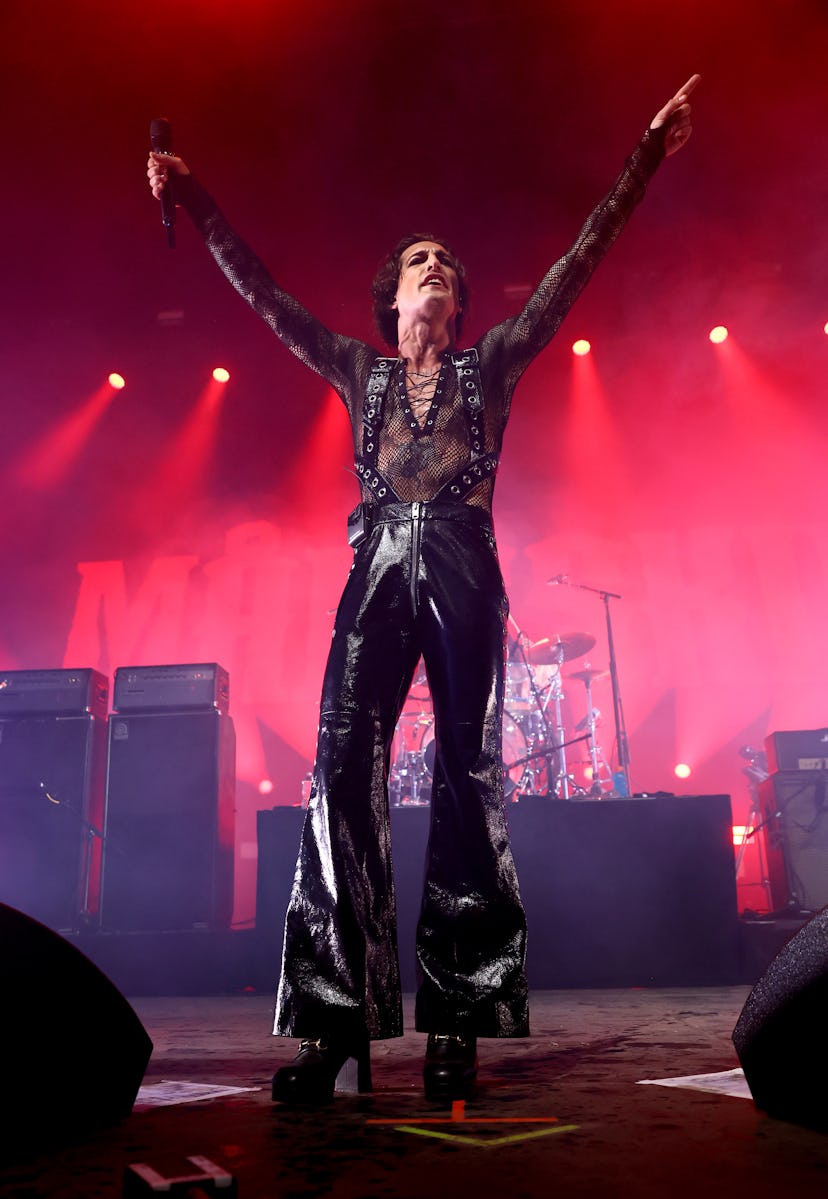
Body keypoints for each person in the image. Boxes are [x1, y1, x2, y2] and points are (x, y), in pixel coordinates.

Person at [147, 74, 699, 1106]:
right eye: (418, 261)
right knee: (337, 768)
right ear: (393, 299)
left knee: (468, 773)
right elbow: (263, 293)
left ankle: (458, 1018)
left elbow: (577, 265)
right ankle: (332, 1025)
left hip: (459, 556)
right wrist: (194, 197)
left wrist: (648, 153)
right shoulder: (356, 370)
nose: (435, 265)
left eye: (446, 260)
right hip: (375, 566)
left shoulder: (493, 362)